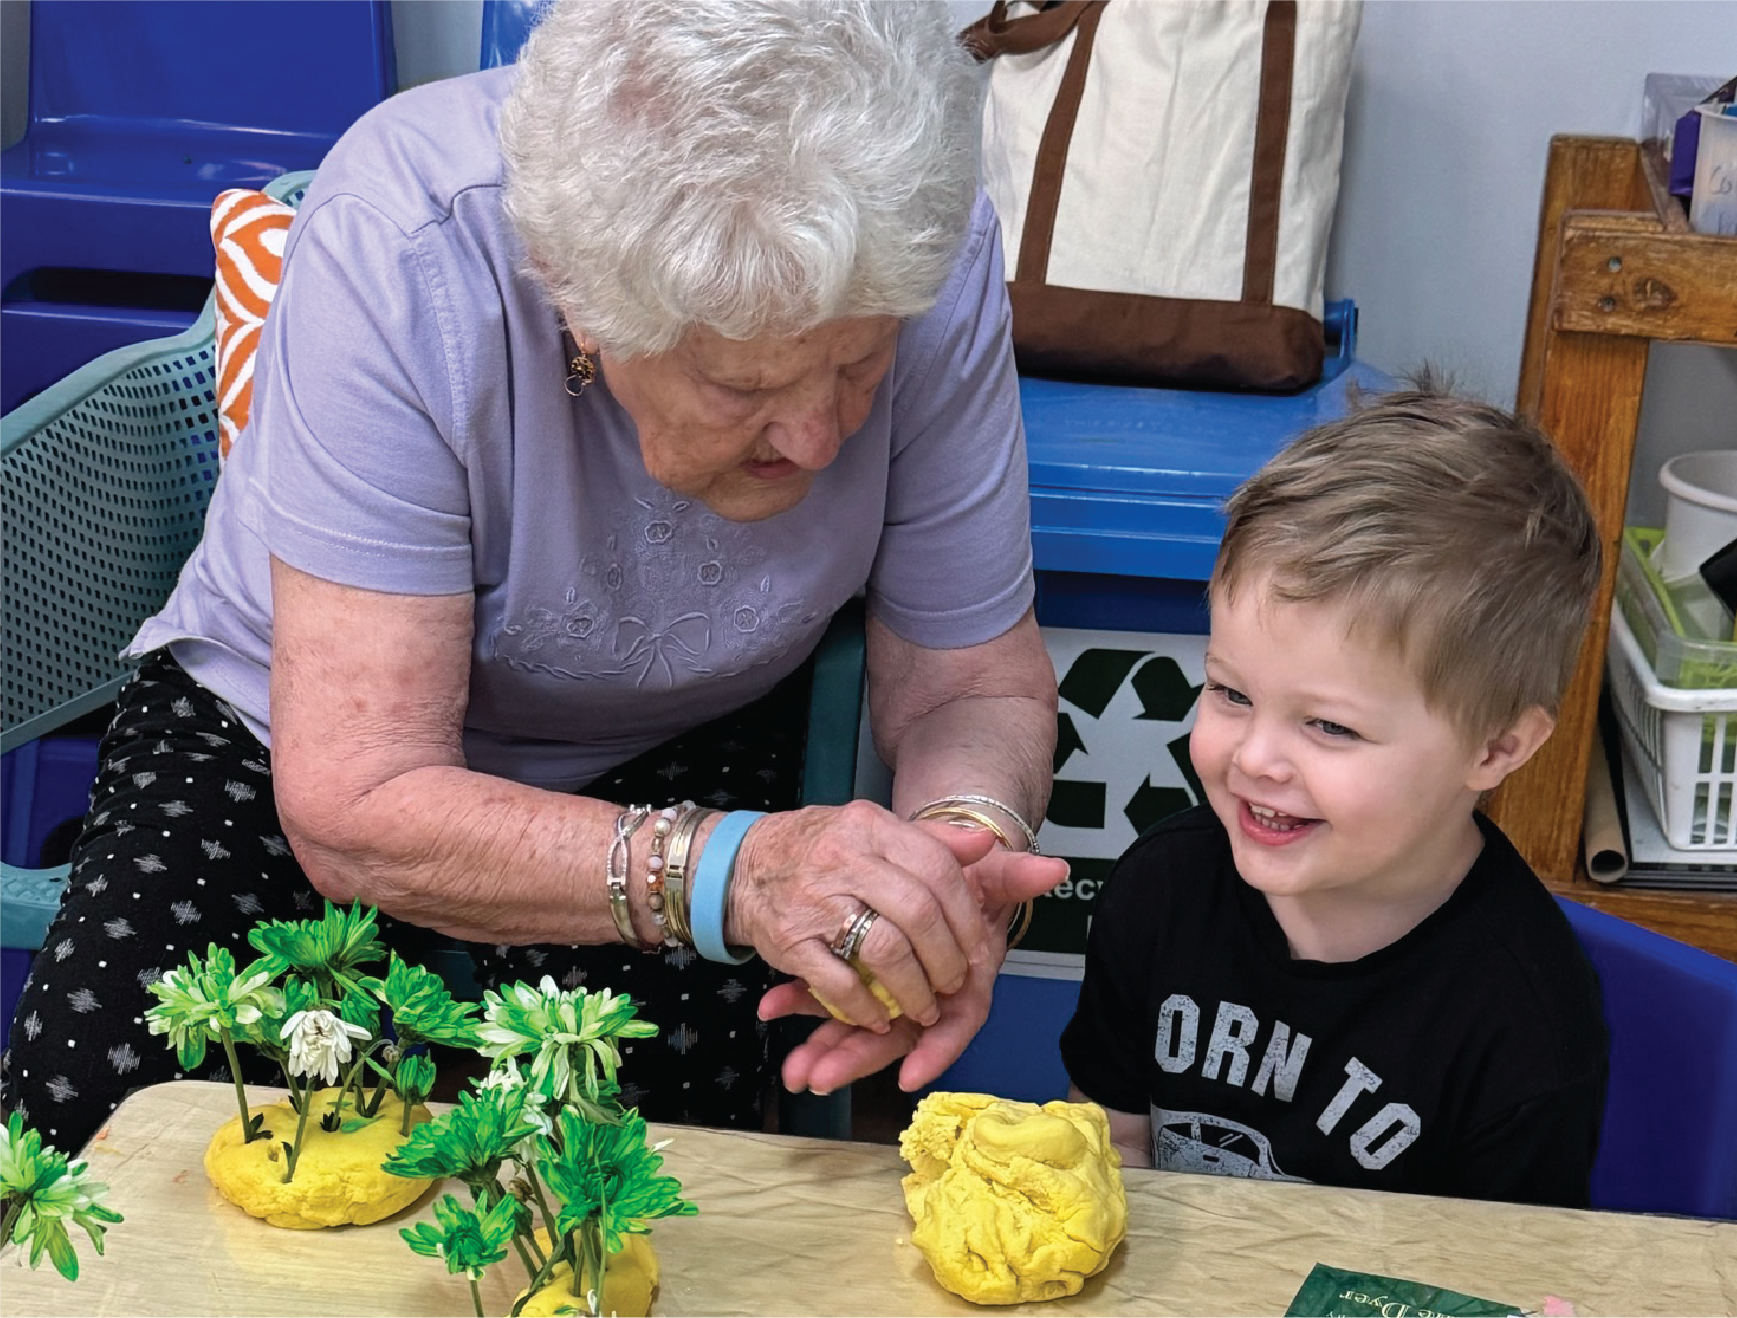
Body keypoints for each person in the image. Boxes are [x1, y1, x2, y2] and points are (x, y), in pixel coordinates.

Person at [1, 0, 1068, 1151]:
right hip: (294, 743)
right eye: (739, 385)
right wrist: (730, 872)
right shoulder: (405, 244)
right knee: (107, 1152)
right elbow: (359, 799)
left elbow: (970, 681)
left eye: (857, 364)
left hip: (679, 735)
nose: (817, 438)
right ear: (579, 305)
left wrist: (951, 867)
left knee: (648, 1207)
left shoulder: (926, 241)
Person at [1061, 389, 1610, 1208]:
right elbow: (1112, 1145)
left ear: (1496, 747)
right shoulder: (1158, 891)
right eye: (1229, 693)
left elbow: (1502, 1281)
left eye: (1327, 726)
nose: (1253, 758)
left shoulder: (1525, 1021)